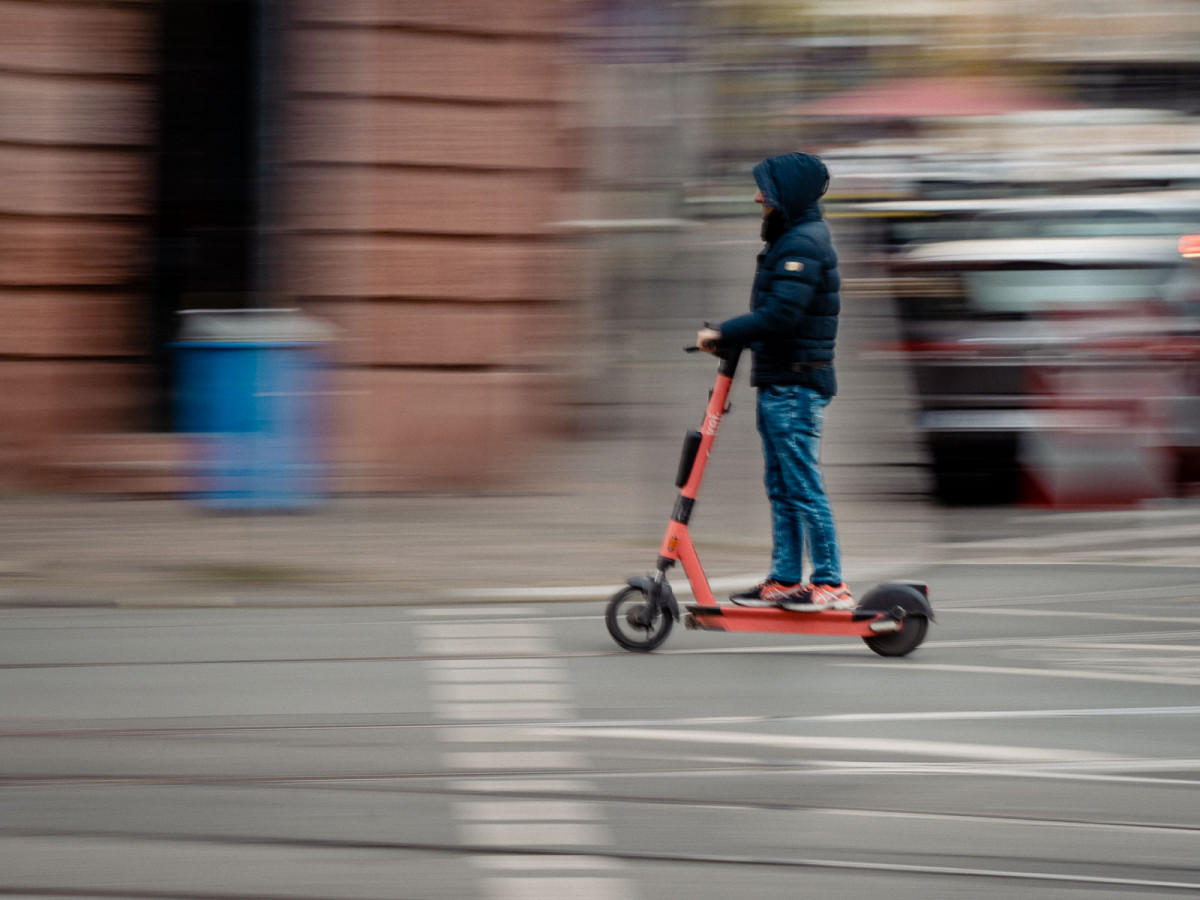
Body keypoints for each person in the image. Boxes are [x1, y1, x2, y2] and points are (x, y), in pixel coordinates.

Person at [696, 152, 853, 612]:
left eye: (764, 189)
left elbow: (782, 315)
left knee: (802, 485)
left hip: (796, 386)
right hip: (782, 382)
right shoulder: (792, 237)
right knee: (782, 486)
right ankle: (786, 579)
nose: (756, 197)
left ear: (787, 192)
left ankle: (830, 582)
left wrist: (725, 332)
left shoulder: (803, 243)